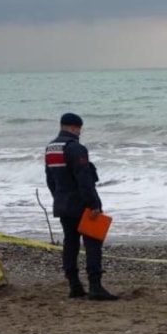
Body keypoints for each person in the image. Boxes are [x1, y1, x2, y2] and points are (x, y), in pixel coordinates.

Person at [45, 113, 118, 301]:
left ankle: (74, 285)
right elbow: (84, 180)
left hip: (63, 203)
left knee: (70, 243)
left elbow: (50, 179)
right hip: (81, 204)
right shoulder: (76, 148)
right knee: (93, 243)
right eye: (79, 129)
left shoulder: (51, 148)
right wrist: (94, 205)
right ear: (74, 127)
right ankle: (95, 286)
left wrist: (58, 198)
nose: (79, 132)